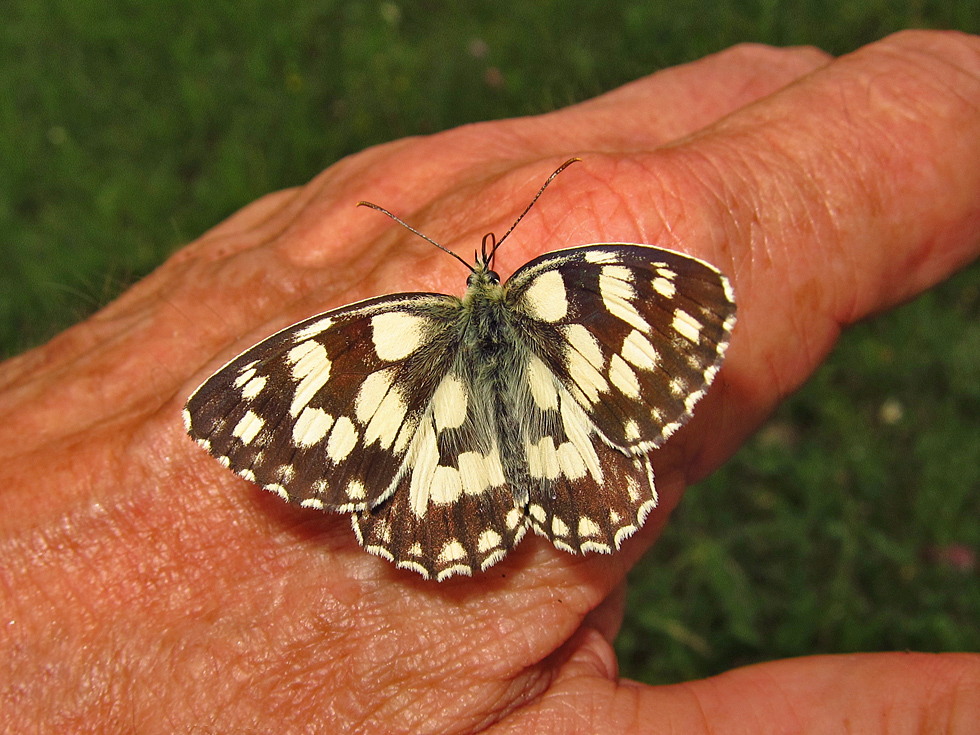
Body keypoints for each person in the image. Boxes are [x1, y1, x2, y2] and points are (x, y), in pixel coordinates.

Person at [1, 30, 978, 733]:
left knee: (458, 448)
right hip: (551, 429)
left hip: (449, 459)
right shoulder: (560, 299)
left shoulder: (387, 337)